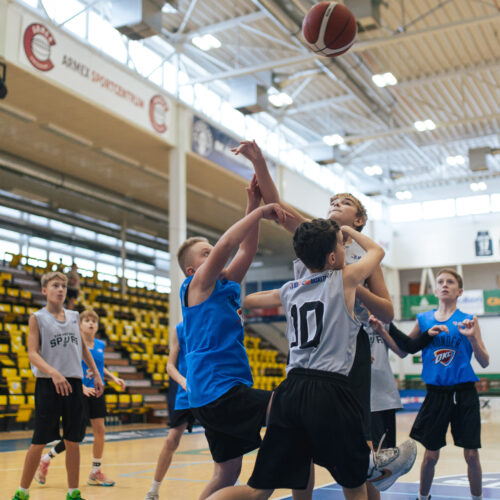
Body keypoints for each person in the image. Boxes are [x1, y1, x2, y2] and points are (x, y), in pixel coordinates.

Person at [232, 140, 411, 499]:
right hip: (313, 357)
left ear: (359, 220)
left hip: (347, 351)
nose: (335, 203)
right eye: (332, 200)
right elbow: (277, 210)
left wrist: (352, 288)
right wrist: (260, 163)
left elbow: (388, 313)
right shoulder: (317, 237)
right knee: (309, 460)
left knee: (356, 455)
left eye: (345, 202)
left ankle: (368, 474)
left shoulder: (355, 259)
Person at [207, 219, 414, 500]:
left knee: (258, 490)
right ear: (333, 258)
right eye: (340, 246)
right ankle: (377, 468)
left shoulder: (291, 289)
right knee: (354, 484)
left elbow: (252, 300)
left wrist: (231, 290)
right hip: (329, 389)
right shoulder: (345, 278)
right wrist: (348, 230)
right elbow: (377, 251)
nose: (344, 248)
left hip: (290, 391)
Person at [178, 178, 293, 500]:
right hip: (219, 390)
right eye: (206, 253)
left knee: (226, 474)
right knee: (286, 408)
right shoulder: (197, 287)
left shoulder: (226, 286)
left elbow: (247, 249)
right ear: (191, 270)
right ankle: (267, 481)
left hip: (215, 393)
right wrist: (259, 214)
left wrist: (252, 204)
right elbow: (228, 244)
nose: (214, 254)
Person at [392, 269, 489, 500]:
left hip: (464, 393)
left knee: (472, 455)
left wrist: (472, 338)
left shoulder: (469, 320)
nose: (445, 285)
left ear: (459, 291)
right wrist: (383, 330)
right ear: (435, 290)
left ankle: (477, 498)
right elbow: (405, 350)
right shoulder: (424, 319)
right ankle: (422, 497)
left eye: (450, 282)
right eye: (441, 282)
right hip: (436, 394)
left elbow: (484, 361)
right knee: (431, 455)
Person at [12, 272, 103, 500]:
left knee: (73, 440)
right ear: (45, 290)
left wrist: (96, 373)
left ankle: (73, 492)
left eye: (63, 286)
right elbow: (32, 354)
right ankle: (22, 492)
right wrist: (54, 373)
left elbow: (82, 348)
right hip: (48, 383)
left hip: (73, 383)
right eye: (55, 285)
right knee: (39, 440)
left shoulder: (74, 316)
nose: (61, 289)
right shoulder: (37, 318)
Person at [34, 309, 126, 487]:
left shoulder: (100, 344)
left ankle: (95, 472)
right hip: (79, 392)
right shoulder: (73, 343)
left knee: (100, 430)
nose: (91, 323)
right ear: (80, 325)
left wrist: (113, 378)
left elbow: (99, 367)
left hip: (97, 391)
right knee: (76, 435)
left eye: (94, 321)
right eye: (87, 320)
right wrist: (81, 387)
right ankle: (46, 458)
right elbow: (67, 367)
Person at [144, 321, 196, 500]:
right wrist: (183, 381)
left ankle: (232, 486)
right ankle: (153, 491)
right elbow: (170, 366)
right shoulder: (180, 329)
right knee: (171, 441)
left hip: (207, 391)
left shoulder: (208, 322)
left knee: (219, 441)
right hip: (185, 393)